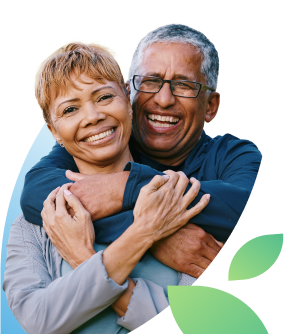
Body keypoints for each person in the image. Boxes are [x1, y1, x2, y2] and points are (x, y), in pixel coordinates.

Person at [3, 39, 211, 334]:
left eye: (104, 97)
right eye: (70, 109)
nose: (93, 116)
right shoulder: (33, 224)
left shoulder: (178, 206)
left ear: (128, 100)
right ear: (52, 128)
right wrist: (142, 234)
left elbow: (197, 326)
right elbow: (41, 322)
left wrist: (85, 259)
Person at [20, 24, 262, 280]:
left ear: (210, 106)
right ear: (129, 92)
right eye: (151, 81)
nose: (164, 99)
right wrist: (153, 235)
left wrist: (125, 186)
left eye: (183, 85)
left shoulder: (234, 155)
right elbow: (37, 193)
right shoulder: (104, 144)